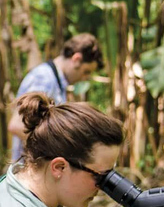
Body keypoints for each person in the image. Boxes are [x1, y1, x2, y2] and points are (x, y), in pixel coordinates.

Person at [8, 33, 103, 161]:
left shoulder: (57, 82)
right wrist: (59, 148)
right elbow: (17, 125)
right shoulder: (44, 78)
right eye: (86, 71)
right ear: (76, 59)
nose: (85, 78)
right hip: (27, 171)